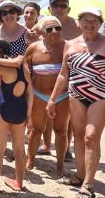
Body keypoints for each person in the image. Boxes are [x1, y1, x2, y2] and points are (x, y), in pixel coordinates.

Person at [47, 6, 105, 198]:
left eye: (94, 21)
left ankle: (88, 183)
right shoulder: (70, 44)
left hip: (102, 95)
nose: (90, 25)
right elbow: (64, 74)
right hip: (76, 94)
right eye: (86, 21)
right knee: (79, 136)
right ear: (79, 22)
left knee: (91, 136)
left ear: (100, 23)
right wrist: (52, 99)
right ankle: (80, 175)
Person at [23, 16, 70, 177]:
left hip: (62, 96)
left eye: (58, 28)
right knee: (36, 130)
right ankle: (30, 159)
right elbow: (25, 71)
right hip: (39, 94)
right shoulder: (33, 48)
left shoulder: (67, 47)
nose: (55, 32)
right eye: (49, 29)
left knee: (61, 130)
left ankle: (60, 164)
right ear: (42, 33)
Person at [0, 40, 30, 192]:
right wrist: (28, 114)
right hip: (21, 109)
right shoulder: (24, 66)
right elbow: (31, 92)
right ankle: (19, 183)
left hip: (4, 108)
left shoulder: (2, 67)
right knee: (19, 148)